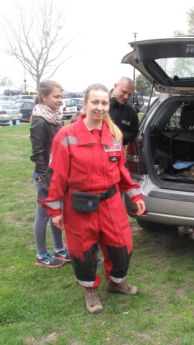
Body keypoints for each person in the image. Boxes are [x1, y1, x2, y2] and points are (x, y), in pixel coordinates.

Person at [38, 83, 146, 314]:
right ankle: (90, 291)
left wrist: (134, 193)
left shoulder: (114, 134)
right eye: (94, 102)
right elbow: (55, 176)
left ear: (108, 105)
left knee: (122, 246)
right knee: (83, 252)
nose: (99, 107)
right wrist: (55, 211)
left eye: (104, 102)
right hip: (80, 206)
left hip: (111, 203)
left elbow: (121, 170)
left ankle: (116, 283)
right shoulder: (66, 136)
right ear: (85, 104)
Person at [29, 80, 69, 268]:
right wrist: (46, 178)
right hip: (46, 174)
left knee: (57, 211)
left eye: (61, 96)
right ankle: (41, 255)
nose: (60, 100)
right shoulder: (39, 120)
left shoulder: (54, 116)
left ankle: (59, 250)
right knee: (44, 214)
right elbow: (38, 153)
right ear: (44, 97)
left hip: (57, 172)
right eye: (56, 96)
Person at [109, 77, 139, 145]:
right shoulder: (100, 104)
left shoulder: (131, 112)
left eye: (129, 94)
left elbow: (134, 132)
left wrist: (120, 136)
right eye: (124, 92)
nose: (126, 97)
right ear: (115, 86)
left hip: (116, 151)